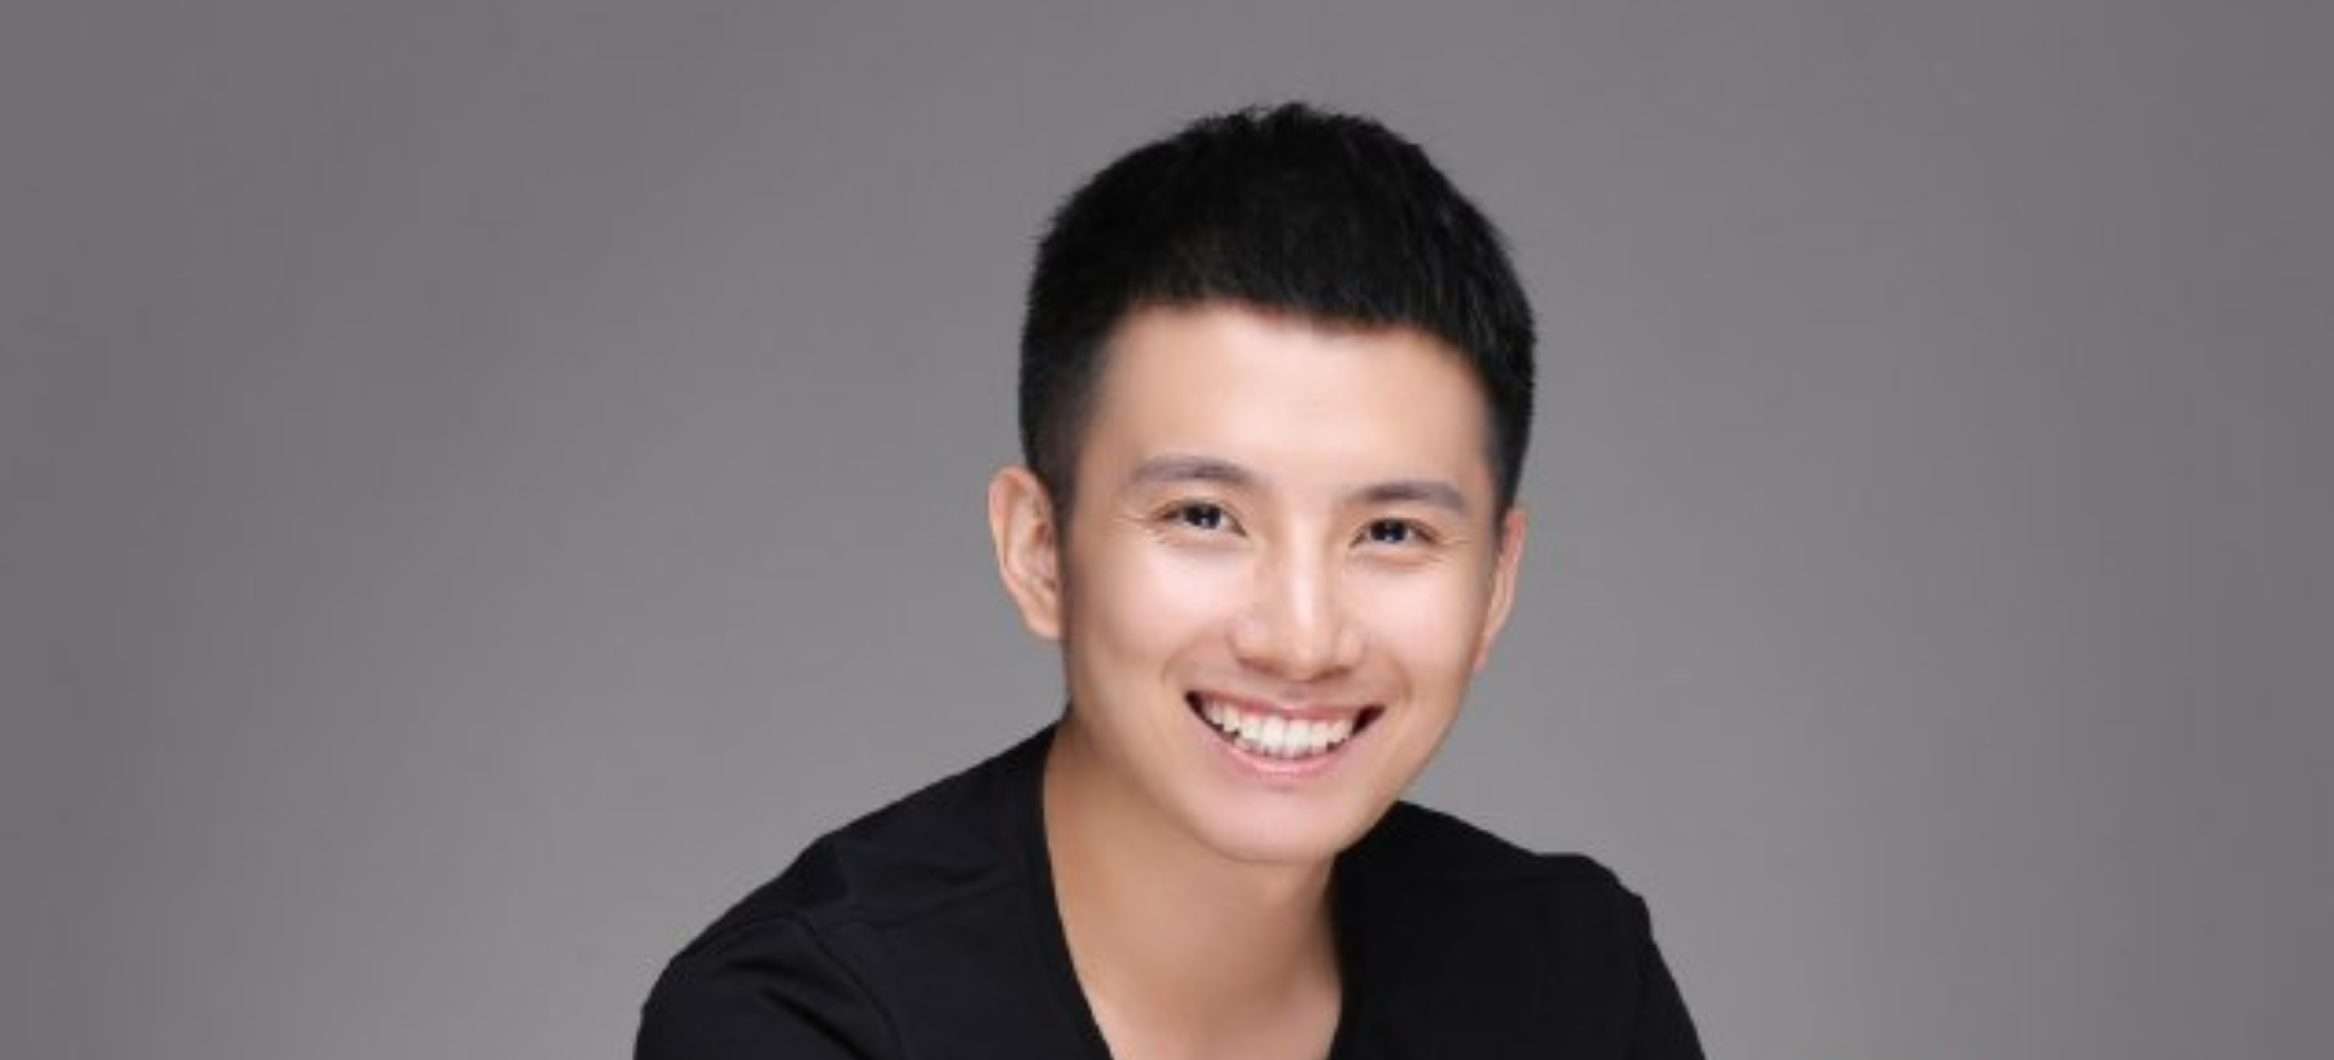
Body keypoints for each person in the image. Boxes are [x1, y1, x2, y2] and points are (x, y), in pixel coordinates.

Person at [636, 103, 1706, 1059]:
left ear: (1496, 585)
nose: (1301, 638)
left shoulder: (1573, 981)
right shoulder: (796, 1022)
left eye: (1390, 530)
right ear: (1039, 551)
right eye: (1204, 517)